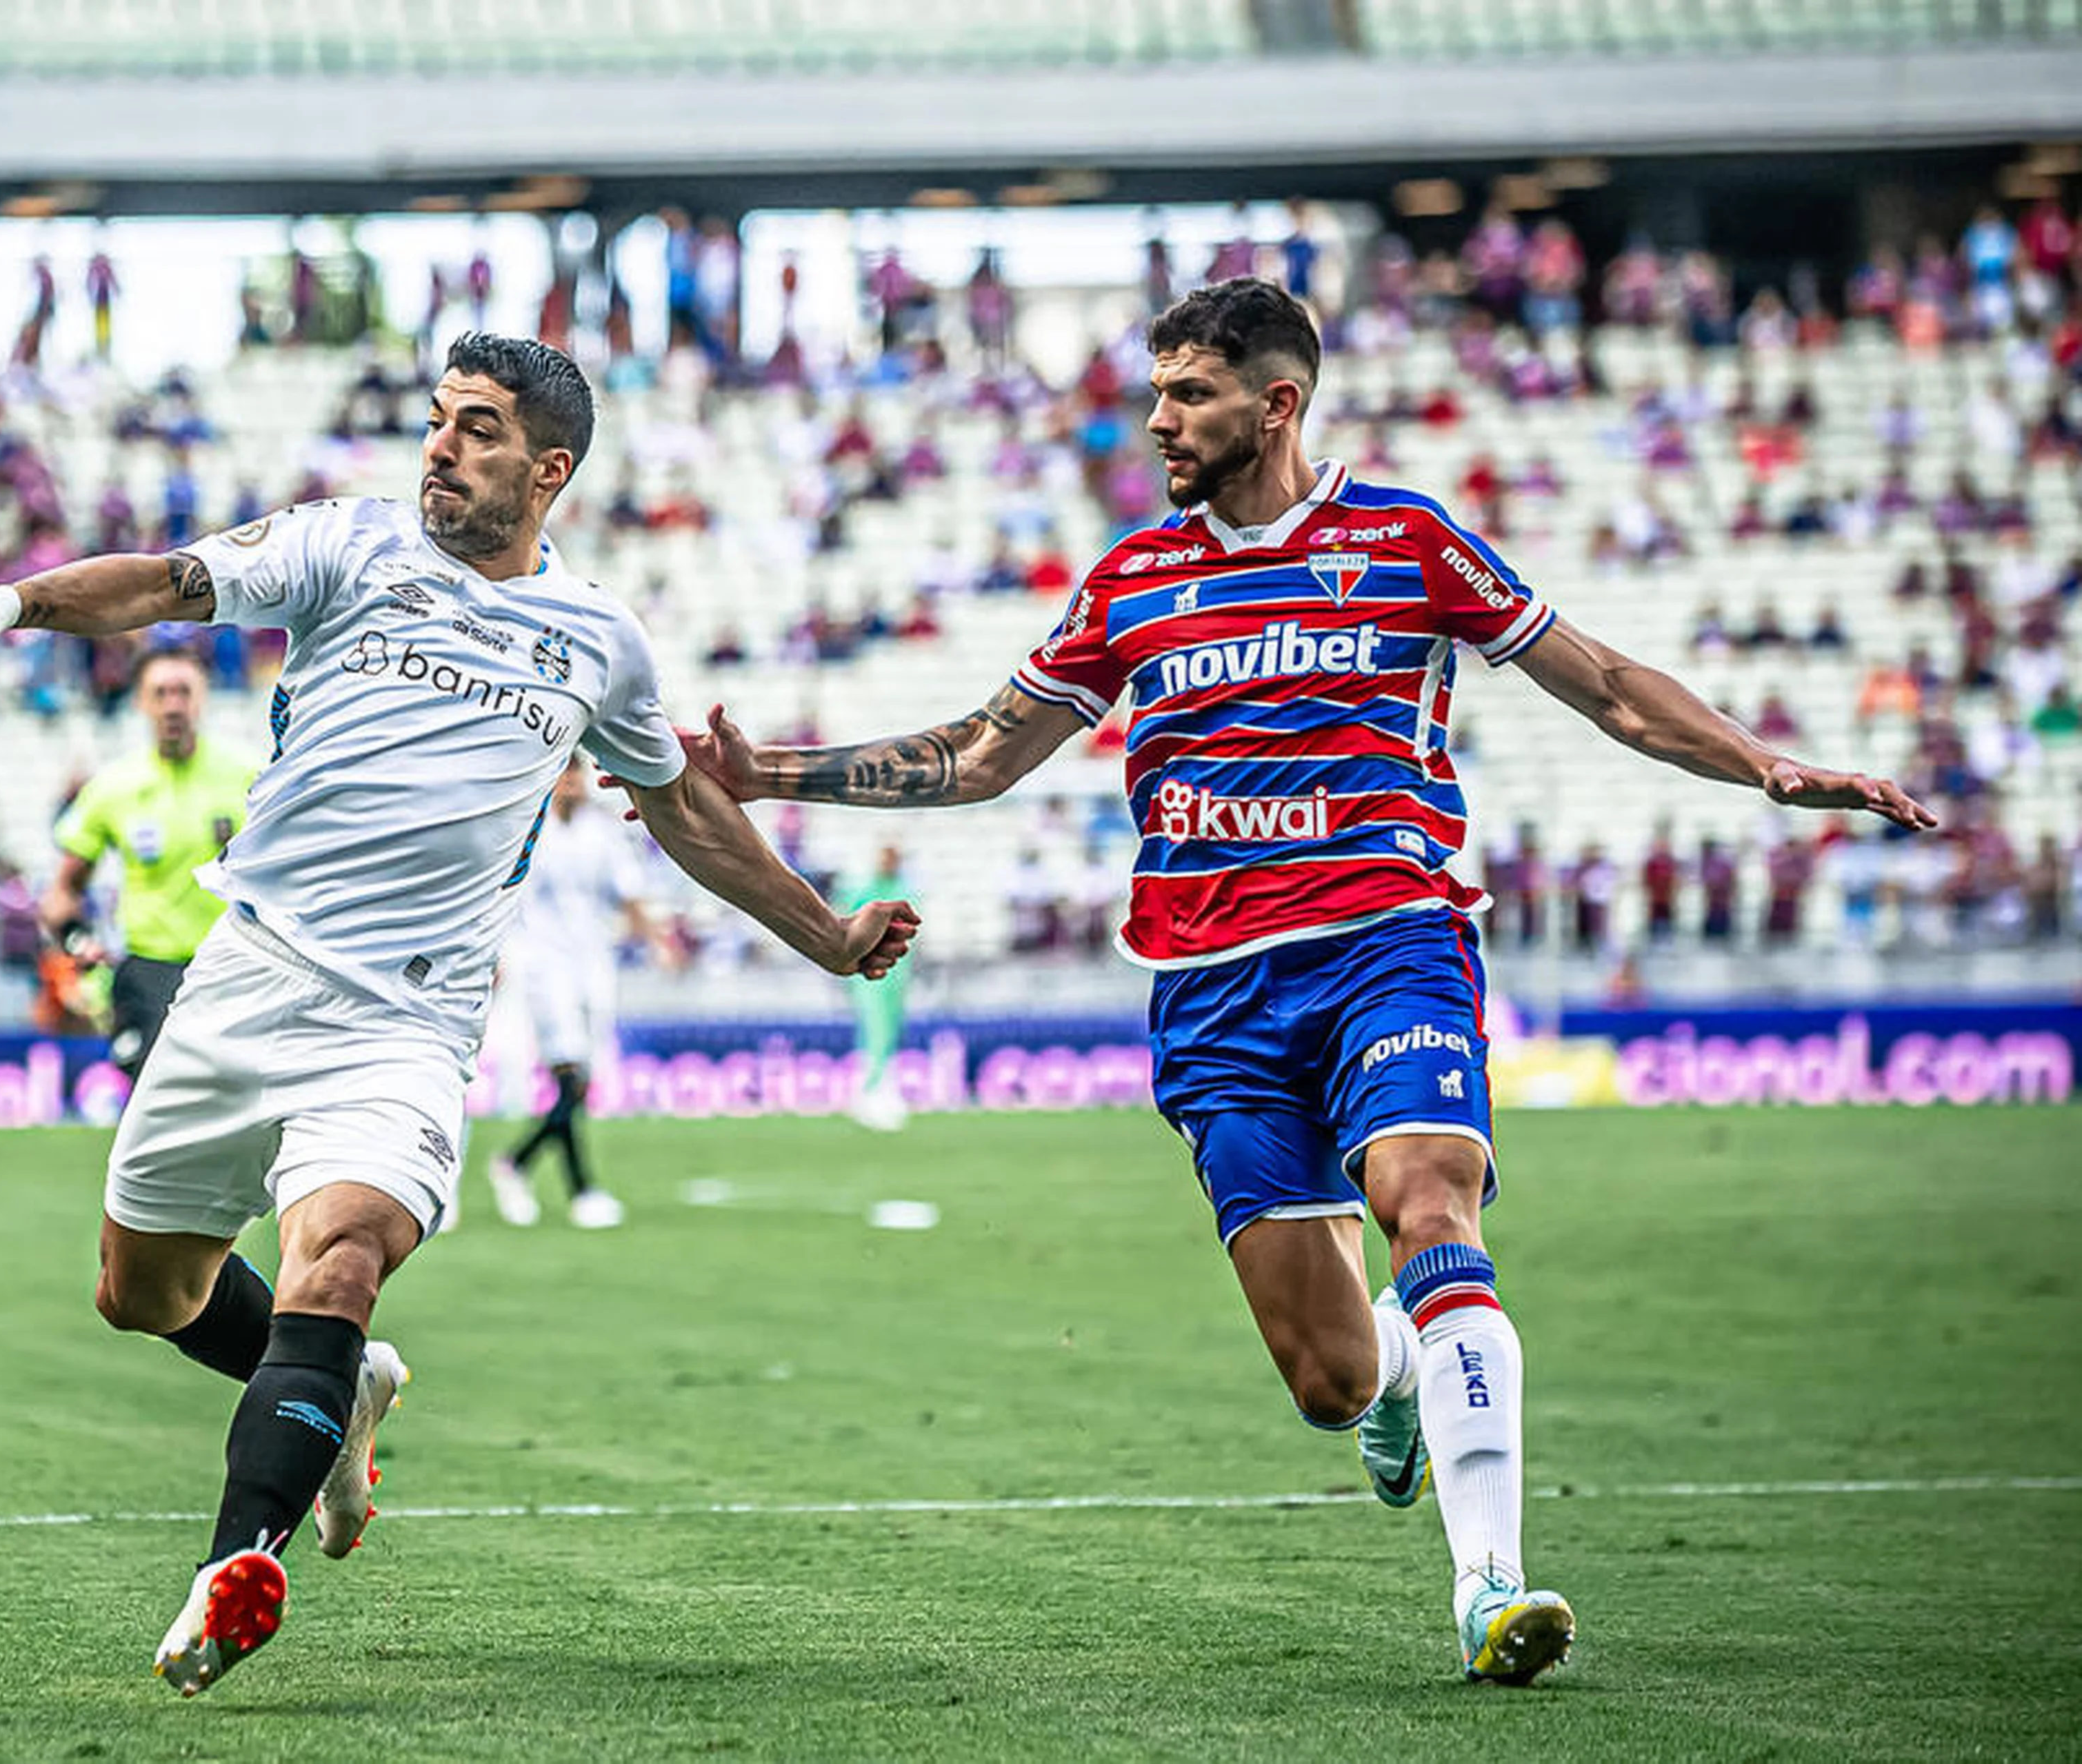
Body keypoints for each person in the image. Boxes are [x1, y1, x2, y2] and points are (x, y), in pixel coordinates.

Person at [675, 279, 1934, 1687]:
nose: (1159, 419)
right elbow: (979, 755)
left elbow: (1611, 686)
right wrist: (766, 772)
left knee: (1429, 1195)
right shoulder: (1134, 577)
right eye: (1156, 393)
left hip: (1388, 936)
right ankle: (1400, 1379)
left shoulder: (1406, 538)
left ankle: (1490, 1583)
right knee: (1331, 1377)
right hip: (1210, 989)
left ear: (1277, 402)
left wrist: (1764, 764)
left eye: (1189, 393)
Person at [0, 332, 916, 1700]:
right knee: (143, 1296)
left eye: (479, 428)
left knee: (338, 1262)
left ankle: (232, 1566)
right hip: (247, 977)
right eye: (440, 420)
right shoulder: (343, 546)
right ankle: (350, 1392)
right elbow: (165, 580)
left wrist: (830, 935)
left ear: (548, 470)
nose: (442, 444)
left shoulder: (599, 640)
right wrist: (8, 606)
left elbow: (686, 810)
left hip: (409, 1024)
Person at [45, 647, 260, 1078]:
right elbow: (62, 893)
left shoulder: (248, 776)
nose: (173, 705)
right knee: (156, 1094)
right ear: (141, 702)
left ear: (202, 699)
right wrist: (76, 940)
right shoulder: (113, 787)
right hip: (149, 970)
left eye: (184, 692)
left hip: (231, 965)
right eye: (160, 693)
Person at [486, 759, 665, 1230]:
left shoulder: (601, 833)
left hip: (593, 966)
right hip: (544, 968)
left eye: (576, 777)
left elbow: (627, 894)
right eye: (564, 777)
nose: (571, 786)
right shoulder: (529, 828)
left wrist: (656, 940)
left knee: (582, 1081)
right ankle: (583, 1190)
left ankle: (517, 1164)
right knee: (570, 1078)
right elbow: (500, 898)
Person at [841, 843, 914, 1130]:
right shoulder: (867, 889)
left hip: (898, 974)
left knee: (890, 1030)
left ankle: (882, 1089)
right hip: (870, 973)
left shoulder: (903, 888)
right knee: (875, 1030)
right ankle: (869, 1093)